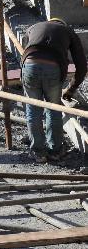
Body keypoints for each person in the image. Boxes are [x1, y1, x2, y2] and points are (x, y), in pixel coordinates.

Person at [21, 18, 87, 162]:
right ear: (62, 24)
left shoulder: (34, 27)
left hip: (30, 66)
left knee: (33, 107)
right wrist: (71, 89)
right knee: (53, 107)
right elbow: (82, 66)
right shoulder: (68, 31)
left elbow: (25, 49)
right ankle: (55, 151)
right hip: (52, 69)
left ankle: (38, 151)